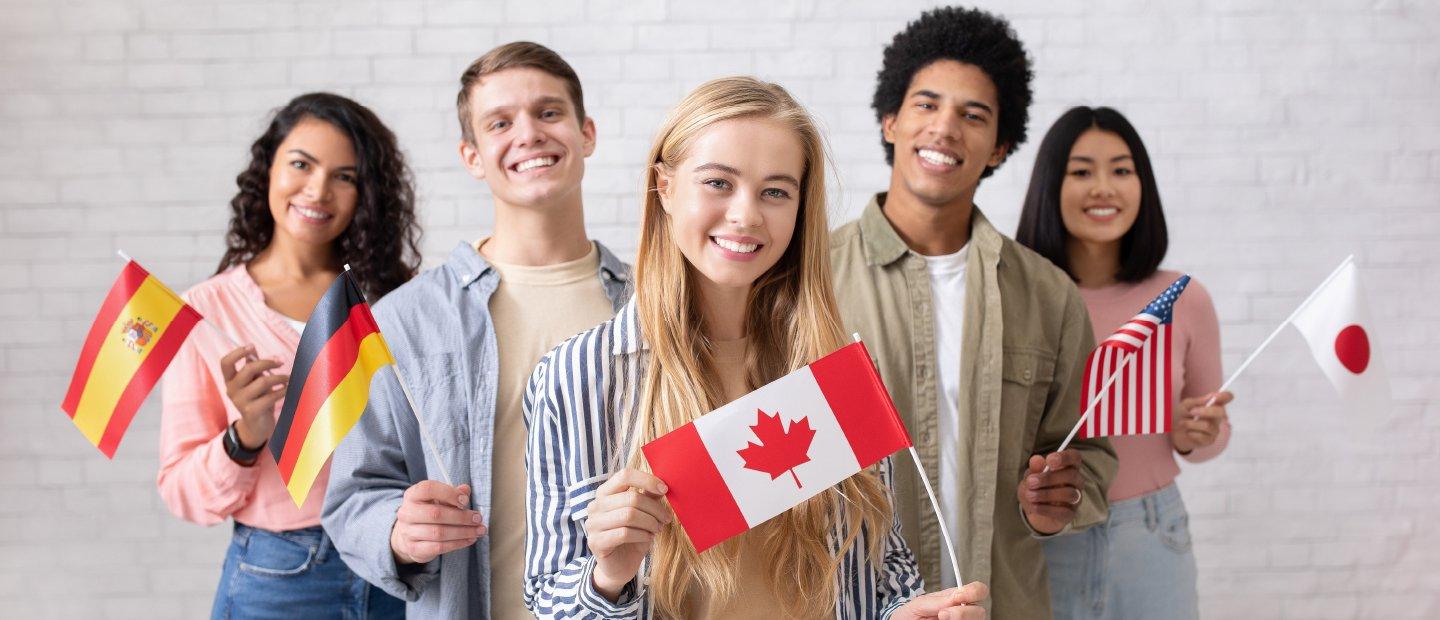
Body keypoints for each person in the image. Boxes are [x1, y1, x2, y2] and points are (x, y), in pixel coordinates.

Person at [524, 76, 988, 620]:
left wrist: (911, 613)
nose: (746, 215)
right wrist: (608, 576)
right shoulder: (579, 376)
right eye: (719, 183)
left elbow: (887, 577)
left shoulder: (835, 375)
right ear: (665, 188)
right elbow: (546, 599)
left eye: (775, 191)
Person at [322, 42, 631, 618]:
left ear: (586, 133)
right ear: (471, 155)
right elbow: (354, 495)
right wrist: (397, 530)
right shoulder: (404, 319)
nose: (529, 134)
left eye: (548, 113)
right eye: (500, 123)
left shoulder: (651, 307)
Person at [829, 7, 1118, 617]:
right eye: (927, 105)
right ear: (890, 120)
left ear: (999, 147)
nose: (945, 128)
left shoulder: (1049, 296)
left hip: (1004, 603)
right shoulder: (812, 278)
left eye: (973, 115)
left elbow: (1089, 457)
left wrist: (1059, 500)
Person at [157, 92, 419, 619]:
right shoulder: (206, 311)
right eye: (301, 164)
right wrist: (244, 436)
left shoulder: (392, 301)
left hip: (394, 559)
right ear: (268, 168)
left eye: (345, 176)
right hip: (282, 576)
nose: (318, 190)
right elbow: (183, 491)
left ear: (367, 194)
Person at [1017, 105, 1232, 620]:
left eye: (1121, 169)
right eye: (1082, 171)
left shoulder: (1182, 297)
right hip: (1047, 534)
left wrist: (1195, 432)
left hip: (1152, 533)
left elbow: (1210, 439)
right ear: (1051, 184)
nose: (1103, 188)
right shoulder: (1020, 296)